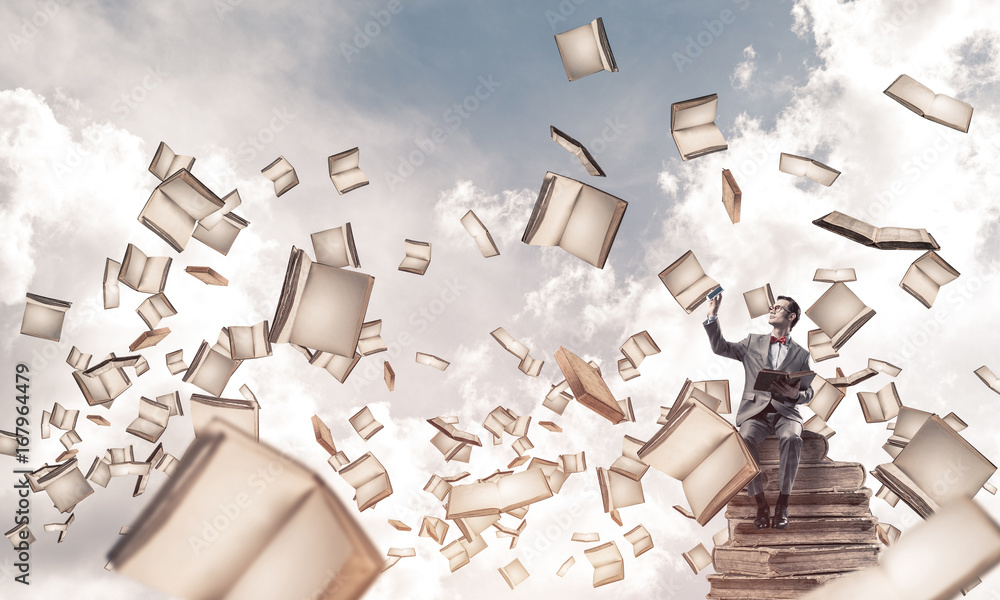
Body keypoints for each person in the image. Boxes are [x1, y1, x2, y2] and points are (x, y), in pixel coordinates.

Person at [703, 293, 813, 530]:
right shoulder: (752, 342)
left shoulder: (802, 355)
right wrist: (712, 316)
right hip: (756, 414)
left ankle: (783, 504)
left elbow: (809, 392)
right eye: (771, 307)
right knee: (744, 439)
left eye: (778, 308)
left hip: (787, 414)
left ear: (791, 316)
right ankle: (761, 504)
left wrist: (796, 395)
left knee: (793, 438)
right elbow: (720, 348)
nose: (772, 310)